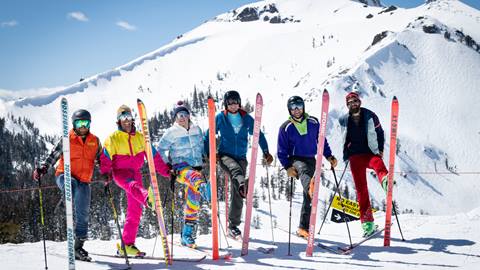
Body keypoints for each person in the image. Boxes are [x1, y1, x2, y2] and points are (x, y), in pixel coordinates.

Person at [100, 105, 171, 256]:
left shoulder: (141, 137)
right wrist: (105, 174)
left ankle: (127, 245)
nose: (126, 121)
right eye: (122, 118)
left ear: (132, 119)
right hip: (120, 173)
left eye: (128, 118)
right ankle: (148, 199)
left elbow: (154, 157)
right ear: (118, 121)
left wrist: (167, 172)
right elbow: (105, 157)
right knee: (133, 186)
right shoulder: (113, 138)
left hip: (136, 172)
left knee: (135, 210)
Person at [33, 109, 101, 262]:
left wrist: (105, 169)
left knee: (83, 215)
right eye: (79, 123)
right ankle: (66, 201)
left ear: (90, 124)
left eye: (86, 123)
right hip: (64, 175)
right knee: (71, 184)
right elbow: (53, 156)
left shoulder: (95, 141)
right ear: (74, 124)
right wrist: (43, 169)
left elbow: (100, 159)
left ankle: (78, 247)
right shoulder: (66, 139)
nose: (83, 126)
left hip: (84, 181)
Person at [204, 90, 274, 240]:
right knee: (236, 173)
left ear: (239, 103)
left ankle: (233, 227)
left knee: (237, 192)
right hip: (225, 156)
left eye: (236, 102)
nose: (233, 105)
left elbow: (258, 134)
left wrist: (266, 152)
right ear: (226, 104)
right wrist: (208, 153)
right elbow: (208, 134)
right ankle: (243, 184)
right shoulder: (220, 118)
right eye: (230, 102)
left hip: (241, 157)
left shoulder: (246, 118)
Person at [277, 96, 337, 239]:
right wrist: (287, 167)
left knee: (308, 196)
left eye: (299, 106)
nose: (296, 109)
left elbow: (322, 141)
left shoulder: (314, 122)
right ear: (289, 110)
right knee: (304, 173)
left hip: (311, 158)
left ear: (303, 107)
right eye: (293, 107)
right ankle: (310, 186)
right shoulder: (286, 127)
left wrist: (328, 156)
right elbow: (281, 151)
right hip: (295, 159)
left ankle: (303, 228)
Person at [157, 101, 211, 248]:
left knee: (193, 203)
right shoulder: (171, 132)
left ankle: (187, 236)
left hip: (196, 168)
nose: (182, 117)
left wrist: (206, 155)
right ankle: (208, 192)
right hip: (180, 168)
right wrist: (167, 165)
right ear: (175, 118)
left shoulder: (196, 130)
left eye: (184, 114)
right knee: (195, 178)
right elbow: (160, 149)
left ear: (188, 116)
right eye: (179, 115)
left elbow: (201, 146)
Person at [339, 92, 388, 237]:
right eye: (350, 102)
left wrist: (380, 149)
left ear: (359, 101)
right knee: (361, 190)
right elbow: (344, 136)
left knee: (378, 164)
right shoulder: (343, 119)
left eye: (355, 101)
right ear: (347, 105)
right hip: (354, 157)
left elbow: (380, 132)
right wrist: (346, 151)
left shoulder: (370, 115)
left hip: (369, 153)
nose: (353, 103)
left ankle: (385, 181)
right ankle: (367, 224)